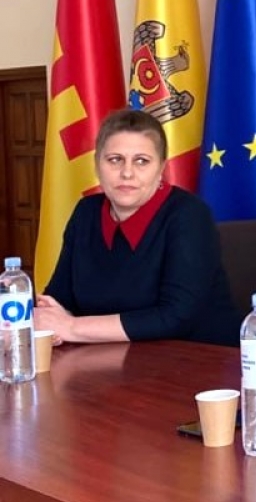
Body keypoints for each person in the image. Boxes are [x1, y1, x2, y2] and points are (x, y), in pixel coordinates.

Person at [35, 108, 240, 347]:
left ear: (161, 168)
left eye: (142, 161)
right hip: (107, 358)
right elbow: (57, 301)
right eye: (115, 159)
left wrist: (72, 327)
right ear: (97, 165)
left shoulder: (189, 214)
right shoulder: (86, 212)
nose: (127, 173)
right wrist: (51, 321)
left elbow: (176, 317)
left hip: (196, 357)